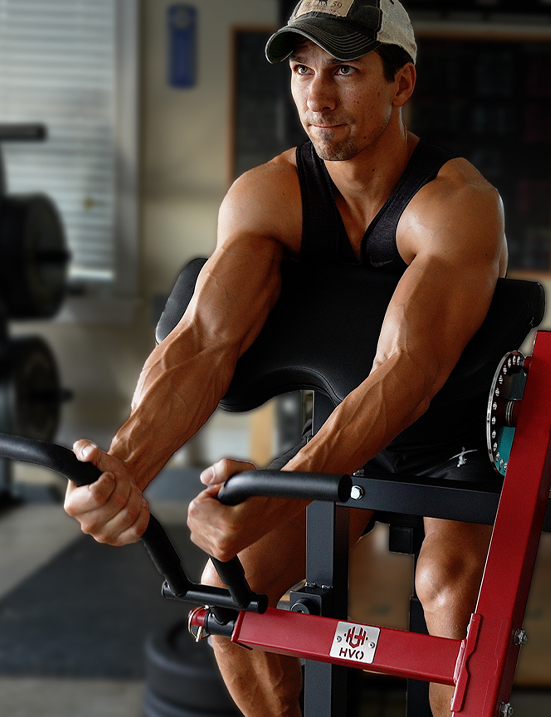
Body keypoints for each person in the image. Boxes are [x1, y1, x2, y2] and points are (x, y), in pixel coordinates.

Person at [62, 1, 508, 715]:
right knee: (229, 602)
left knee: (449, 602)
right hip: (346, 437)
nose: (316, 96)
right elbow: (203, 342)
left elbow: (407, 372)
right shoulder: (269, 195)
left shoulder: (454, 204)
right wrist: (122, 470)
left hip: (452, 442)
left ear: (401, 84)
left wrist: (275, 491)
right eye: (302, 70)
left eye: (345, 71)